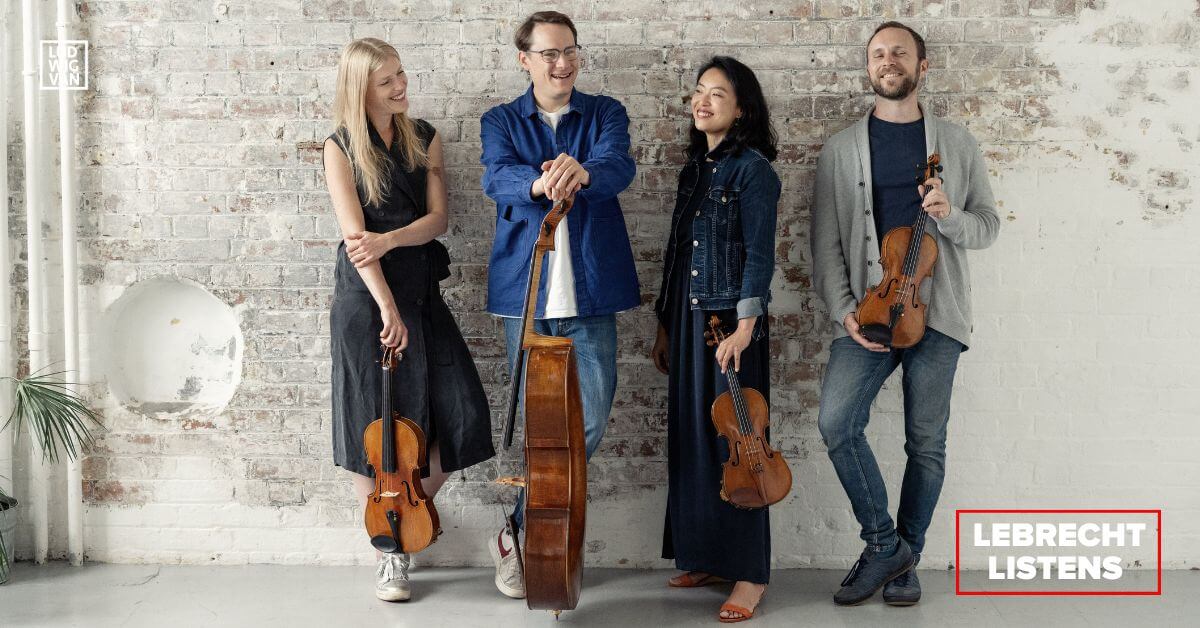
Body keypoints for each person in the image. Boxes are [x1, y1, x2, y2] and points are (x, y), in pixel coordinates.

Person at [810, 21, 1000, 607]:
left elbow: (987, 227)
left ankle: (905, 560)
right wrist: (844, 312)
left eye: (900, 52)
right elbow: (825, 243)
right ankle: (885, 544)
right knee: (837, 423)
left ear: (923, 65)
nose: (888, 61)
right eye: (878, 54)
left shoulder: (957, 144)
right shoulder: (841, 149)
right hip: (868, 315)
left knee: (926, 444)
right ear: (868, 67)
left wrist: (948, 216)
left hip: (937, 316)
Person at [323, 37, 495, 602]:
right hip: (366, 299)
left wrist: (391, 238)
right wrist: (386, 307)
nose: (401, 86)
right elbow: (357, 242)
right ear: (361, 90)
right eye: (386, 81)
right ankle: (389, 551)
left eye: (401, 74)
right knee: (368, 424)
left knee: (464, 412)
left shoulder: (425, 136)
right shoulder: (339, 147)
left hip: (421, 291)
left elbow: (439, 220)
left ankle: (407, 512)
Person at [479, 10, 639, 600]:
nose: (562, 63)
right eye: (548, 53)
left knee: (586, 421)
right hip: (525, 297)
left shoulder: (605, 112)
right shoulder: (500, 120)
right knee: (538, 430)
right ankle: (536, 543)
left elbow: (618, 165)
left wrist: (583, 170)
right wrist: (538, 182)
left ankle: (518, 531)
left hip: (591, 295)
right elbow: (496, 178)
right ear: (525, 60)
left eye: (569, 50)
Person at [650, 56, 781, 624]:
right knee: (695, 439)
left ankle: (750, 573)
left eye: (718, 94)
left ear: (742, 109)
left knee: (741, 444)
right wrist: (665, 323)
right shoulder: (693, 171)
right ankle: (705, 556)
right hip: (688, 317)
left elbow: (760, 254)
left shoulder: (754, 171)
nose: (702, 102)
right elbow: (678, 255)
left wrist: (746, 327)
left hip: (730, 322)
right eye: (699, 91)